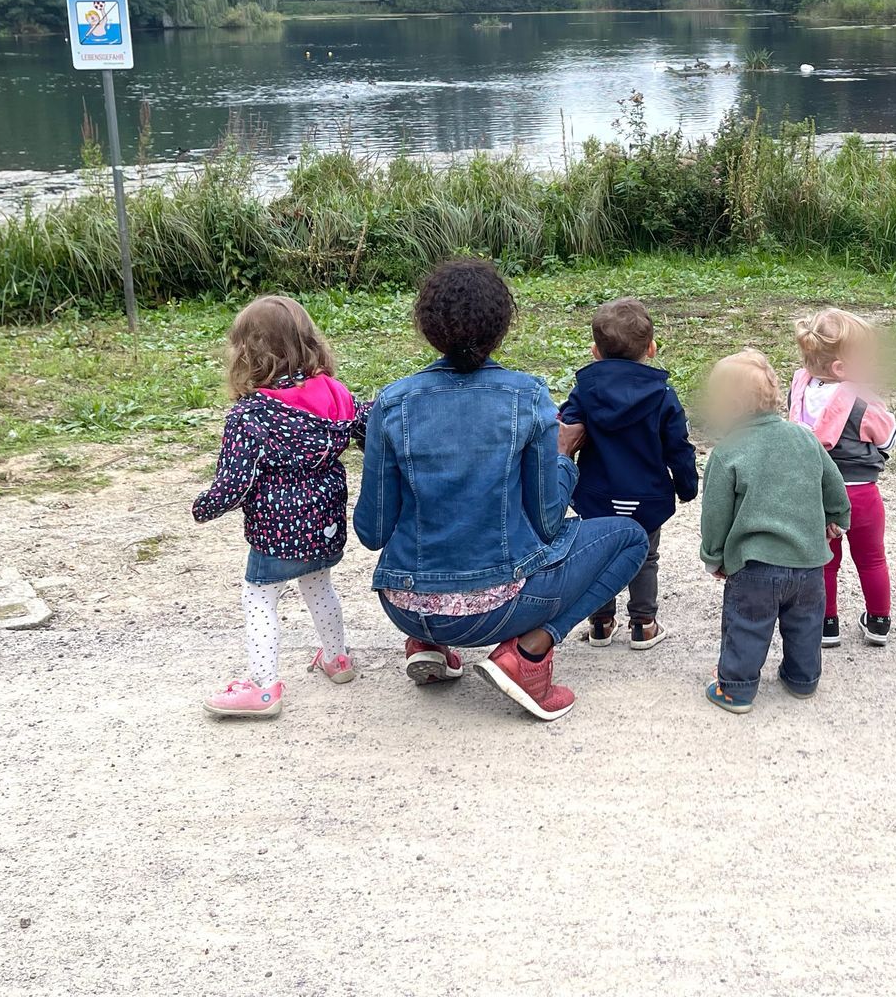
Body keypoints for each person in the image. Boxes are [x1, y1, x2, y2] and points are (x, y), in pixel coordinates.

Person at [355, 258, 648, 722]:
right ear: (501, 327)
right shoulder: (525, 395)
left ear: (428, 328)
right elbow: (548, 520)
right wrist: (563, 457)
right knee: (631, 538)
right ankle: (529, 654)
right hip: (500, 609)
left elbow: (371, 532)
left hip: (405, 605)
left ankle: (428, 644)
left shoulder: (392, 403)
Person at [193, 296, 364, 719]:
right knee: (319, 585)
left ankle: (264, 687)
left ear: (247, 354)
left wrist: (203, 506)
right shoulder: (337, 394)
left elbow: (234, 484)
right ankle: (337, 658)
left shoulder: (251, 415)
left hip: (276, 532)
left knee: (259, 597)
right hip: (325, 525)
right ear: (310, 344)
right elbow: (370, 427)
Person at [700, 350, 850, 714]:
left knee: (747, 626)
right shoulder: (805, 438)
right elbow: (834, 486)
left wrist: (714, 557)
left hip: (755, 567)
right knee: (805, 625)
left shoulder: (727, 452)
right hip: (809, 562)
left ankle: (736, 689)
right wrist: (837, 518)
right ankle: (803, 679)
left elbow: (716, 513)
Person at [557, 298, 700, 650]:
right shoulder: (663, 394)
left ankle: (601, 624)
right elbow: (678, 447)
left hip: (596, 493)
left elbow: (565, 429)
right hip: (647, 495)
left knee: (598, 555)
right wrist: (687, 486)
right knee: (646, 557)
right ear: (650, 349)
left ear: (595, 351)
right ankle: (643, 624)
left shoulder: (585, 391)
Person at [789, 308, 896, 648]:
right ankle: (878, 620)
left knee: (826, 561)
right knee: (871, 558)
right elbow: (887, 438)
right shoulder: (862, 401)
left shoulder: (800, 390)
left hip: (816, 492)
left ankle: (826, 623)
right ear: (840, 368)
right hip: (860, 495)